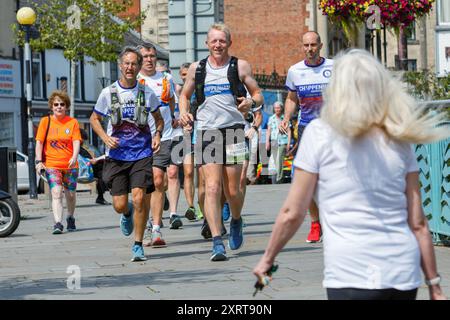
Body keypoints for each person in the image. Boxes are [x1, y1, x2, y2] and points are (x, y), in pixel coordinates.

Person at [253, 49, 448, 300]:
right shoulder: (398, 136)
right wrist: (434, 284)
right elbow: (419, 224)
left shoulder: (320, 133)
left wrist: (268, 259)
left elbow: (293, 212)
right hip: (401, 271)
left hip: (349, 272)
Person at [179, 23, 264, 261]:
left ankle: (236, 219)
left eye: (222, 41)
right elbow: (184, 96)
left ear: (229, 42)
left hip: (234, 131)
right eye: (214, 41)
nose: (218, 45)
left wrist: (251, 103)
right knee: (213, 187)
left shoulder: (240, 66)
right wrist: (184, 113)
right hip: (208, 132)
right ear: (207, 43)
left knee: (233, 189)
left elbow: (258, 95)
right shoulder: (198, 68)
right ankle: (217, 241)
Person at [90, 46, 163, 262]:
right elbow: (94, 119)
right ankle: (126, 212)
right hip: (116, 155)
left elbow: (159, 119)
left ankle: (138, 245)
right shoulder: (109, 93)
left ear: (139, 67)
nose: (130, 67)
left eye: (134, 64)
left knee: (140, 198)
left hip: (141, 153)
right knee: (120, 204)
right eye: (127, 63)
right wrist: (105, 138)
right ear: (120, 66)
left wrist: (157, 134)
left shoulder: (146, 93)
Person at [280, 31, 333, 243]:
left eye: (313, 45)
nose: (309, 49)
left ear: (320, 45)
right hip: (306, 130)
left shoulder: (334, 67)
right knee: (307, 179)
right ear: (302, 47)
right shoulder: (295, 71)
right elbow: (292, 98)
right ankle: (315, 222)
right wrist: (286, 118)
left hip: (332, 128)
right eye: (306, 45)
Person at [137, 44, 180, 246]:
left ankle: (155, 228)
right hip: (138, 139)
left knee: (158, 179)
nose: (149, 59)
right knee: (141, 187)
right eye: (145, 56)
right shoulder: (135, 80)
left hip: (163, 136)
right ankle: (136, 217)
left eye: (152, 56)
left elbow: (171, 100)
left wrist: (172, 117)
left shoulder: (166, 79)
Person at [35, 90, 82, 234]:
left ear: (66, 106)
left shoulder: (72, 122)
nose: (59, 107)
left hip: (70, 165)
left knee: (71, 194)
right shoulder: (45, 121)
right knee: (56, 193)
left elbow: (76, 141)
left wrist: (74, 156)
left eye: (62, 104)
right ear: (51, 106)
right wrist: (38, 161)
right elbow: (39, 143)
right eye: (56, 104)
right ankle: (57, 223)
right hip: (52, 165)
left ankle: (70, 217)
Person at [79, 129, 110, 205]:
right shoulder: (77, 147)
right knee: (102, 170)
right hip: (85, 169)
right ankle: (101, 196)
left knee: (102, 169)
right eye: (83, 139)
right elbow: (82, 160)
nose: (83, 142)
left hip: (86, 167)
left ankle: (101, 196)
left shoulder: (78, 147)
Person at [266, 101, 290, 184]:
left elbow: (289, 131)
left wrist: (288, 143)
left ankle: (278, 178)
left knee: (279, 159)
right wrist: (267, 142)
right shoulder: (271, 118)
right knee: (276, 161)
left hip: (283, 141)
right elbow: (268, 131)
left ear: (281, 108)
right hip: (274, 141)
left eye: (278, 108)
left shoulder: (285, 118)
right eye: (275, 108)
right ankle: (280, 177)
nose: (277, 109)